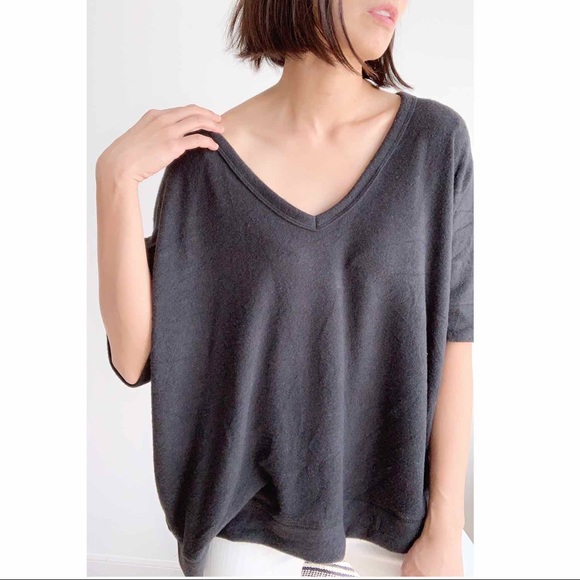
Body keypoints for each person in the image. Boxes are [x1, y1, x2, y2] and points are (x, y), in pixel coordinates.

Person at [96, 0, 474, 576]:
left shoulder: (435, 144)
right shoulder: (205, 163)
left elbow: (455, 338)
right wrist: (115, 179)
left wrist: (445, 526)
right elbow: (133, 356)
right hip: (246, 534)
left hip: (398, 536)